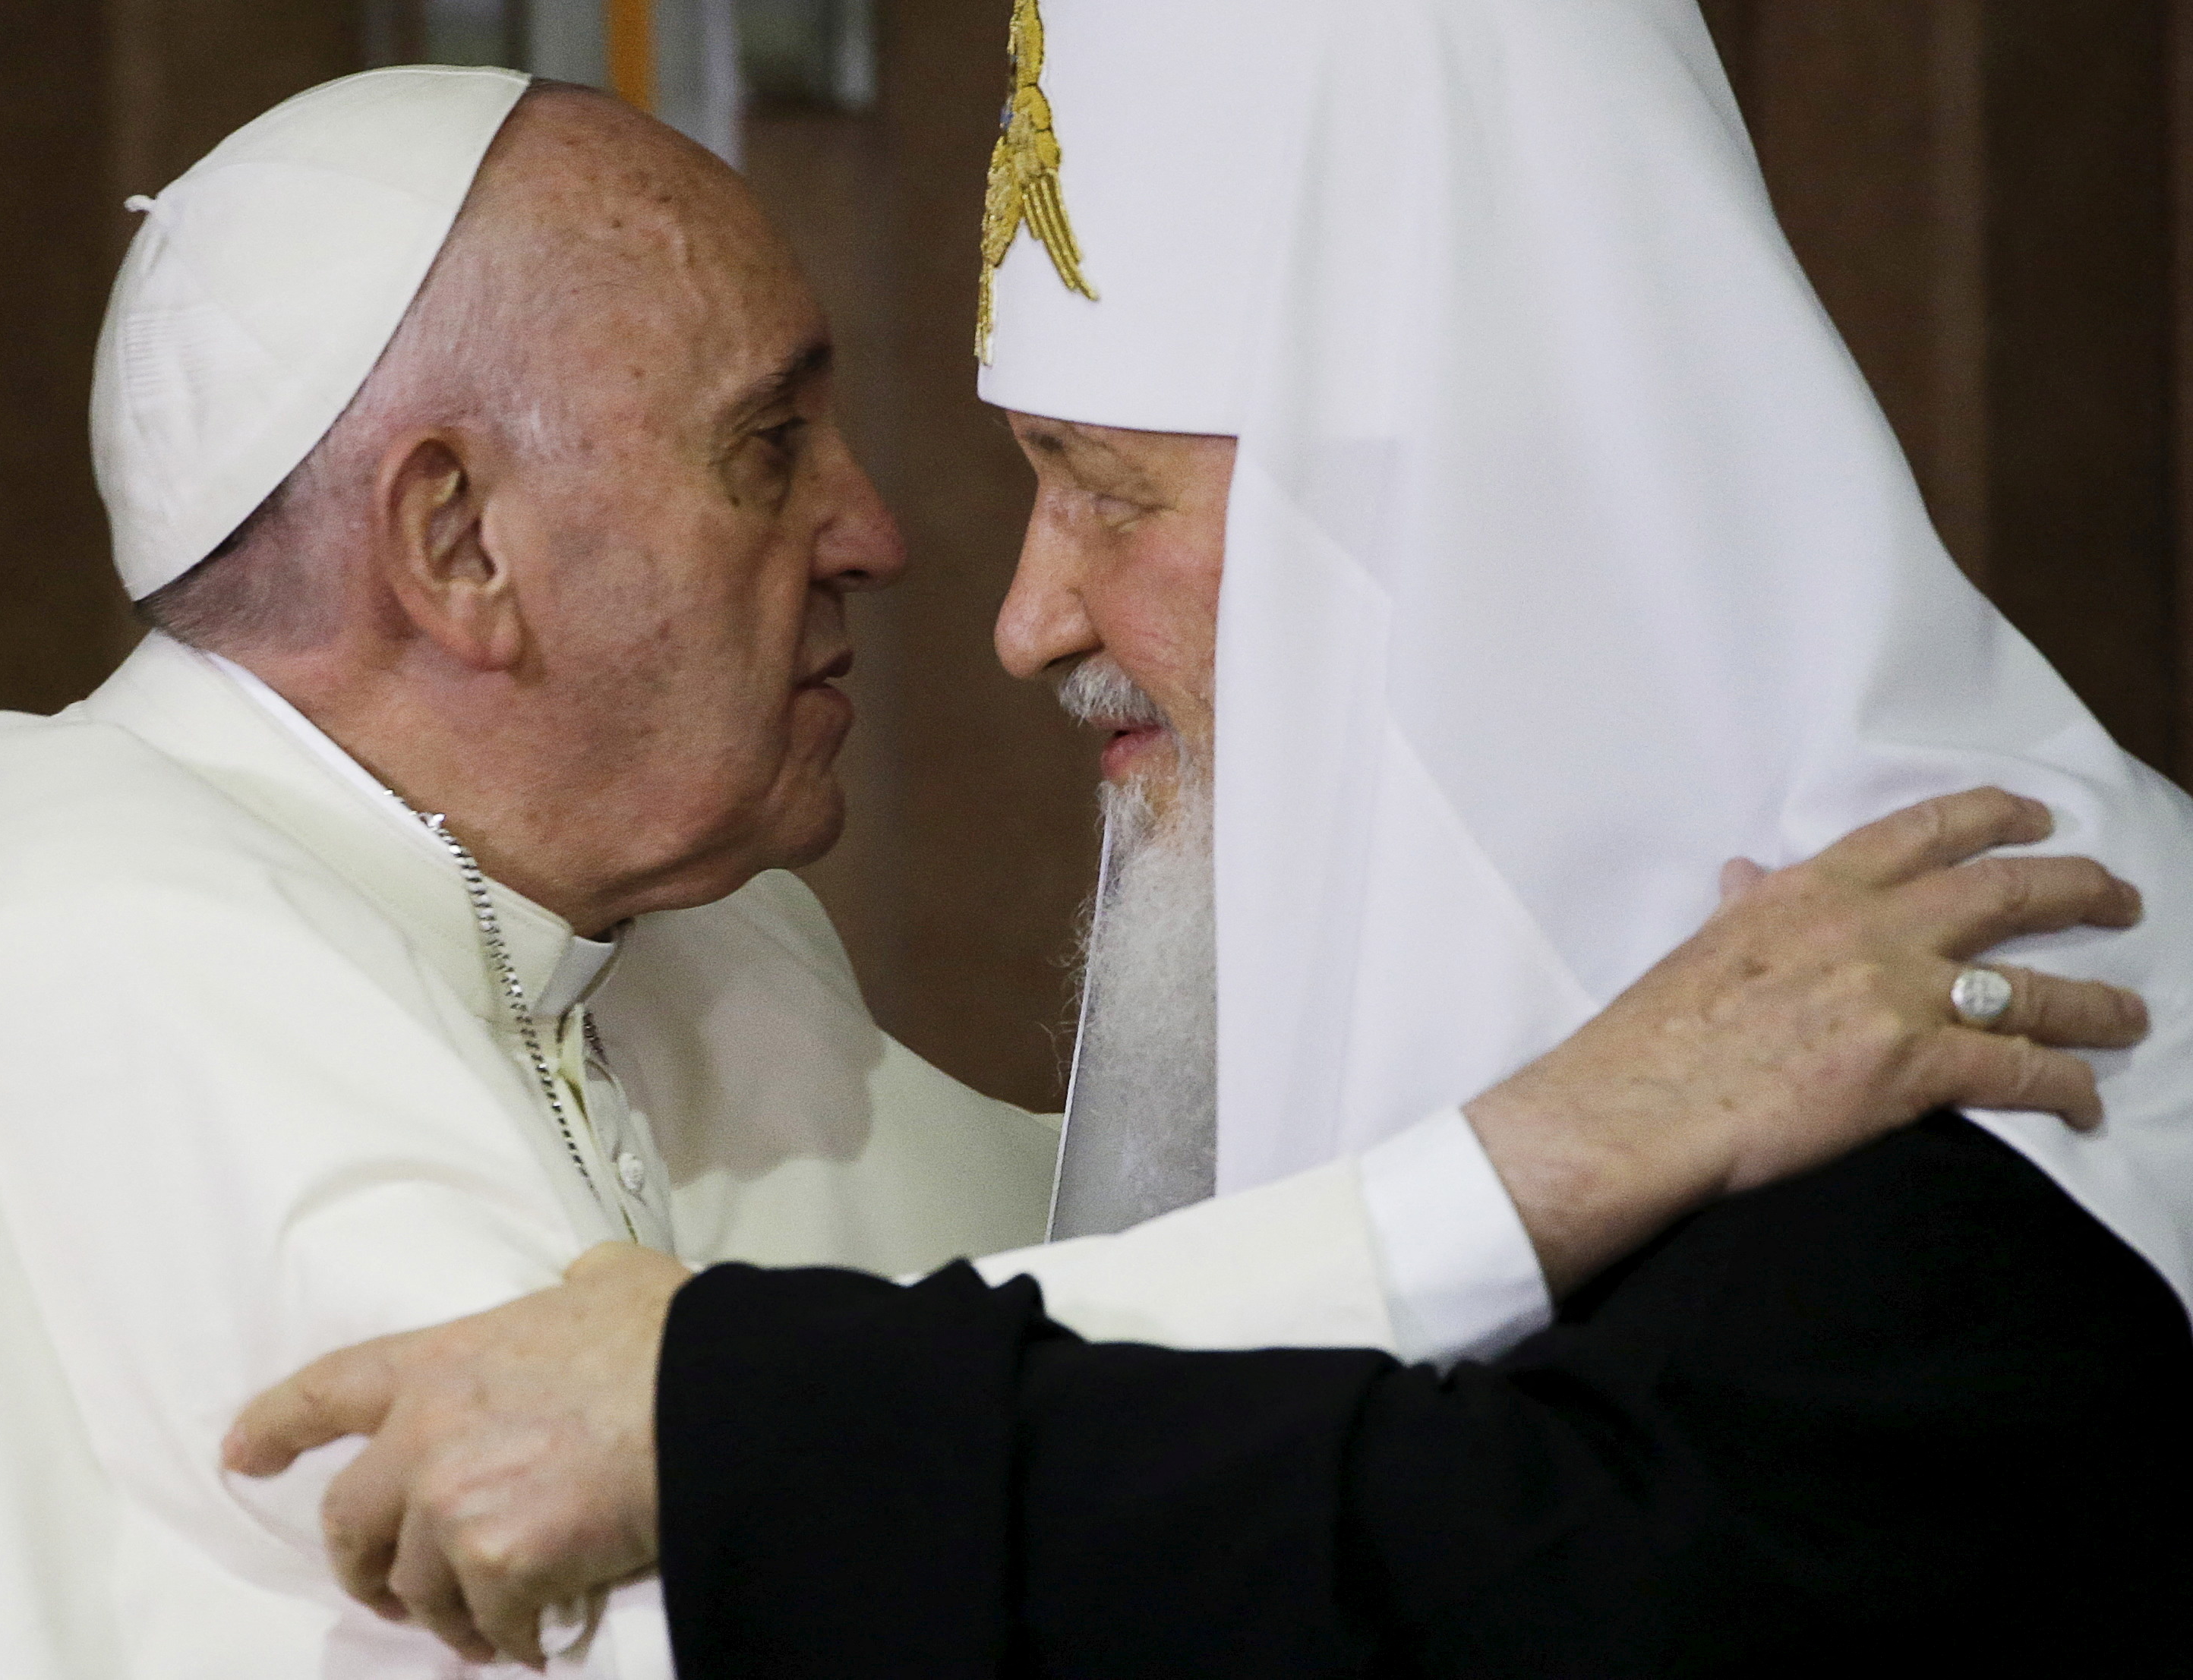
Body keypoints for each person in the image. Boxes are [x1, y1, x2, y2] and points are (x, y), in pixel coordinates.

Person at [229, 1, 2193, 1673]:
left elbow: (1512, 1573)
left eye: (1106, 493)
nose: (1025, 620)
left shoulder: (1996, 999)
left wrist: (723, 1414)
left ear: (1449, 520)